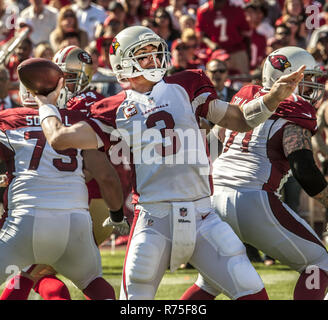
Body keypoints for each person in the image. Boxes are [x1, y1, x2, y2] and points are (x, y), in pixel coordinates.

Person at [34, 26, 304, 300]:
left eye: (155, 52)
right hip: (154, 218)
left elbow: (241, 119)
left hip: (203, 215)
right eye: (144, 54)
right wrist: (45, 104)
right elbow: (59, 138)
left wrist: (273, 98)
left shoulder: (185, 85)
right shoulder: (114, 107)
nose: (154, 59)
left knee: (253, 294)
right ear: (124, 63)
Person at [181, 47, 328, 300]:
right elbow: (303, 168)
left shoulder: (245, 98)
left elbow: (213, 144)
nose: (311, 86)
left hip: (214, 198)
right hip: (253, 198)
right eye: (305, 79)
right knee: (319, 262)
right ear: (286, 78)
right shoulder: (294, 112)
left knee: (210, 282)